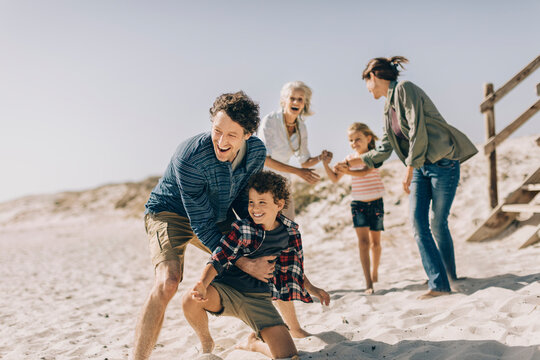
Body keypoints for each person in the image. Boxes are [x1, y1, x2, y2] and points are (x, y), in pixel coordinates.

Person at [132, 91, 275, 360]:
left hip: (216, 214)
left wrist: (257, 239)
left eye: (232, 135)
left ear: (247, 134)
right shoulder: (191, 157)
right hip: (169, 213)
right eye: (217, 131)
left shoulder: (256, 152)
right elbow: (201, 224)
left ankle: (216, 342)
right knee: (168, 282)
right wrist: (241, 261)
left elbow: (244, 201)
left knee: (260, 257)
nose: (221, 141)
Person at [348, 56, 478, 300]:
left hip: (442, 164)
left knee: (438, 223)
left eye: (366, 82)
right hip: (420, 167)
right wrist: (357, 161)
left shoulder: (405, 90)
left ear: (373, 76)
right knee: (418, 223)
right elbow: (385, 148)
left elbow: (417, 128)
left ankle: (449, 277)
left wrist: (409, 167)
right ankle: (439, 282)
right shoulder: (387, 107)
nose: (367, 88)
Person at [182, 171, 329, 359]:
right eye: (251, 202)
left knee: (288, 355)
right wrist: (203, 283)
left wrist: (313, 289)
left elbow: (295, 269)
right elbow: (219, 257)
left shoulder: (290, 233)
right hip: (226, 291)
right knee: (190, 299)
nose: (255, 208)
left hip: (259, 300)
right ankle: (206, 341)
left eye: (262, 202)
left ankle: (253, 344)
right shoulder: (242, 228)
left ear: (279, 205)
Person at [258, 80, 331, 337]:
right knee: (270, 248)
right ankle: (289, 325)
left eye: (301, 99)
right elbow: (265, 158)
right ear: (283, 100)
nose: (296, 102)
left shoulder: (301, 126)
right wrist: (299, 171)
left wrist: (319, 159)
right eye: (292, 98)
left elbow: (303, 159)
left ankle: (297, 307)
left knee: (289, 241)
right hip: (262, 184)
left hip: (283, 186)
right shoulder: (270, 121)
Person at [322, 123, 385, 294]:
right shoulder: (349, 159)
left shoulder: (374, 155)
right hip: (358, 205)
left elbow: (364, 172)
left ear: (368, 138)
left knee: (376, 244)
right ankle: (368, 283)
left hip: (376, 203)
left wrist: (347, 170)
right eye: (351, 140)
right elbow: (335, 178)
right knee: (363, 244)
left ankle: (375, 271)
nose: (354, 143)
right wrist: (326, 165)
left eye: (358, 139)